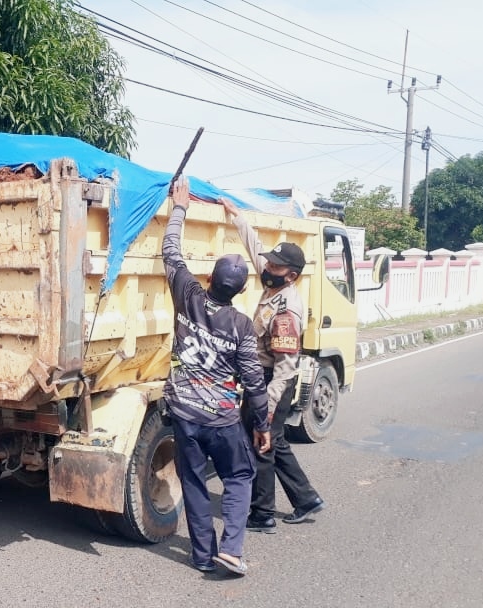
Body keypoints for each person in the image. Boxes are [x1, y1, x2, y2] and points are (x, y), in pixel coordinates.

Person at [161, 178, 271, 577]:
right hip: (223, 420)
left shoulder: (188, 296)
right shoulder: (242, 326)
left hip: (185, 416)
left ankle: (203, 556)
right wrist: (262, 425)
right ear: (240, 290)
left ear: (209, 278)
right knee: (240, 476)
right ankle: (232, 549)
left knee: (192, 481)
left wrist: (180, 207)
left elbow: (170, 251)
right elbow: (255, 383)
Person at [221, 197, 325, 534]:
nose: (267, 268)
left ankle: (262, 514)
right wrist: (237, 217)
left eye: (275, 267)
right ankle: (306, 498)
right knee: (275, 442)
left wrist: (266, 404)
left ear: (291, 275)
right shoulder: (274, 285)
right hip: (262, 377)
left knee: (261, 442)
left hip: (271, 382)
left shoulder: (286, 311)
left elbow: (285, 365)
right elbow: (257, 249)